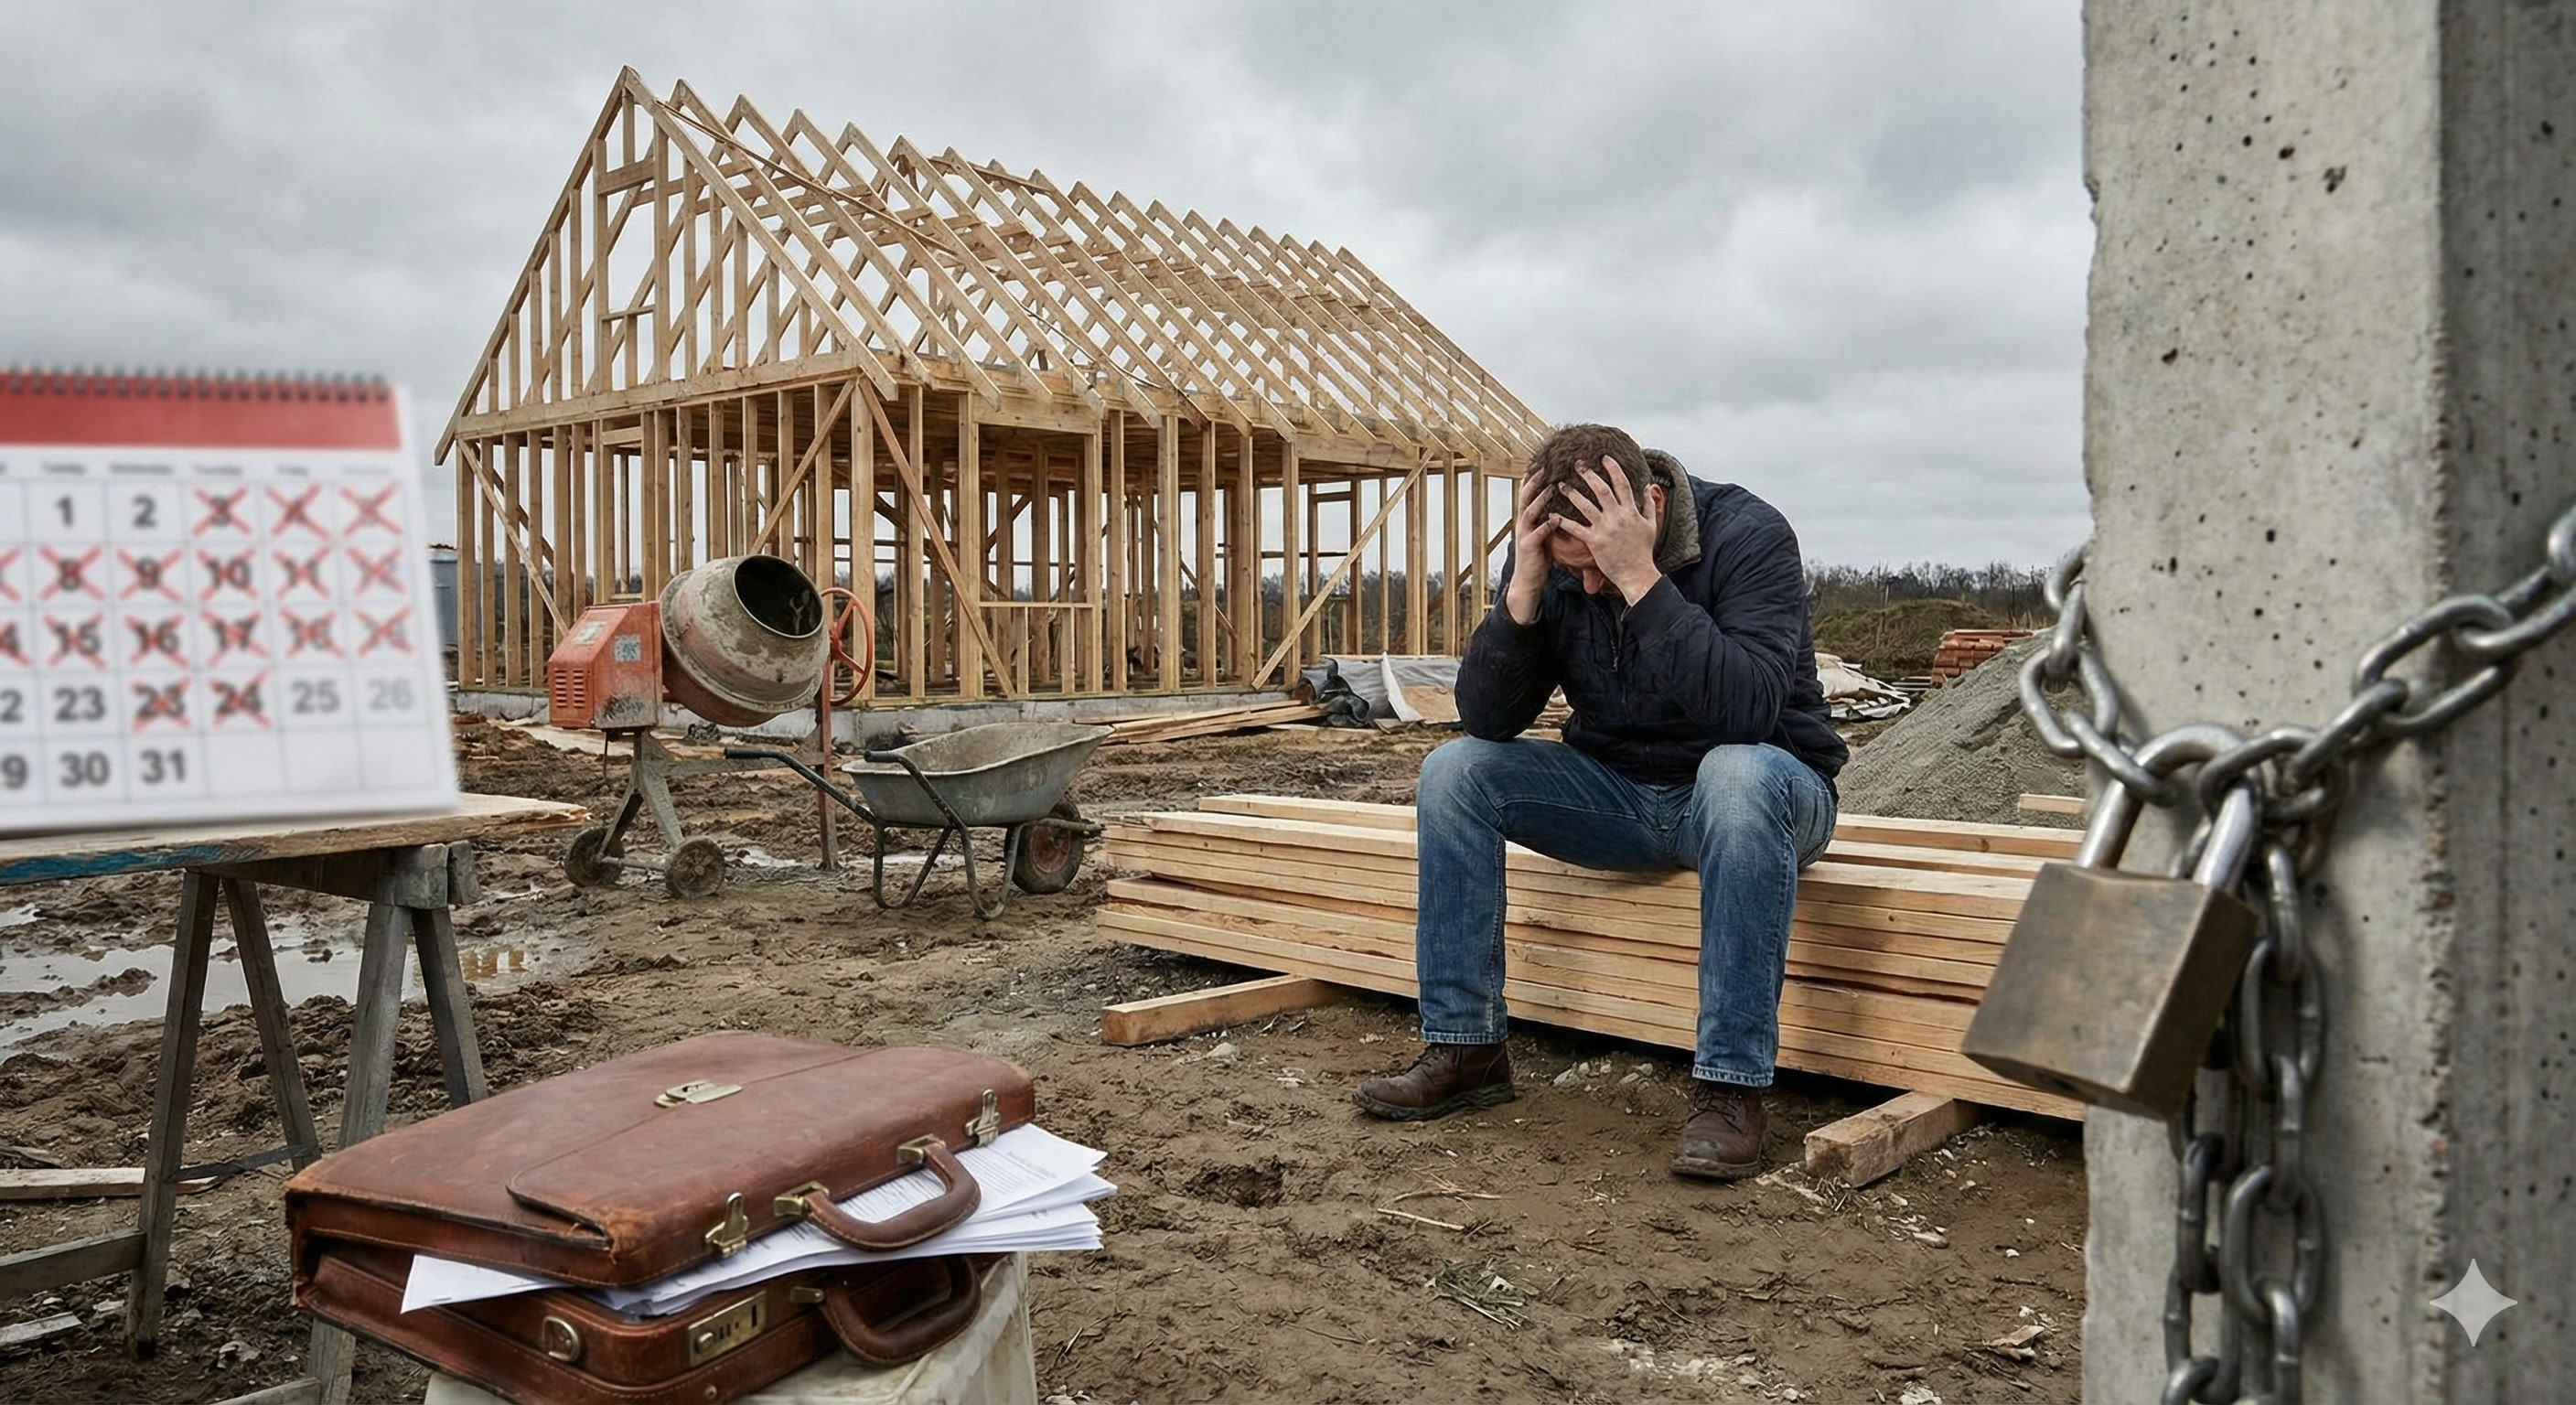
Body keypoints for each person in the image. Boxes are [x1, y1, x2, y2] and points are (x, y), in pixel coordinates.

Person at [1351, 423, 1847, 1180]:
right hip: (1618, 795)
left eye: (1596, 569)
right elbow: (1488, 719)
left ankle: (1729, 1087)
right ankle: (1466, 1049)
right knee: (1455, 771)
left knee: (1735, 772)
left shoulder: (1749, 536)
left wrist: (1640, 579)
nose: (1585, 588)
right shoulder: (1553, 556)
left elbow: (1745, 712)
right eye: (1568, 569)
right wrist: (1521, 596)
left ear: (1651, 507)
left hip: (1768, 794)